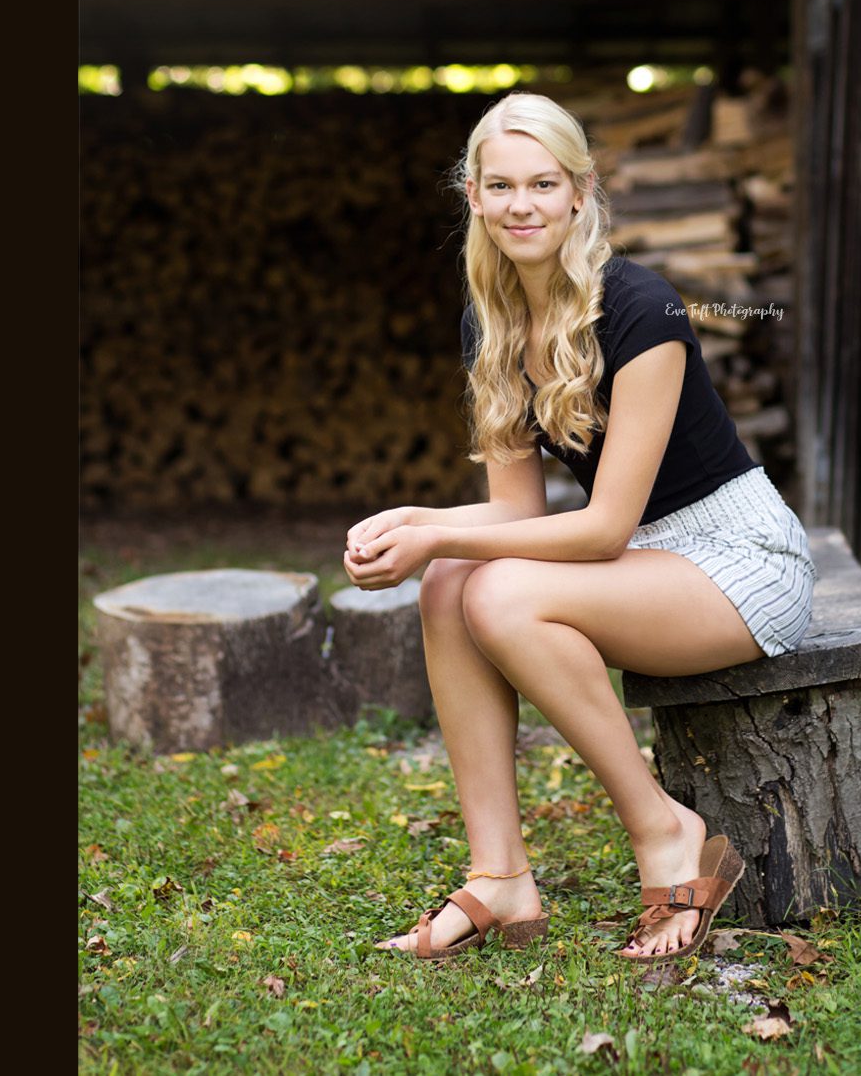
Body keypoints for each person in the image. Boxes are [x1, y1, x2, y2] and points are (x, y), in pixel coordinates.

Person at [343, 91, 815, 964]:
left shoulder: (643, 309)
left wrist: (438, 533)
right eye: (501, 186)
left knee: (501, 593)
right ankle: (500, 877)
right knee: (451, 583)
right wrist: (419, 525)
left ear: (579, 193)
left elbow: (599, 530)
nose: (522, 204)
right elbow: (518, 513)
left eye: (543, 183)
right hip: (645, 559)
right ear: (474, 197)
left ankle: (665, 829)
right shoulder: (491, 322)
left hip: (739, 559)